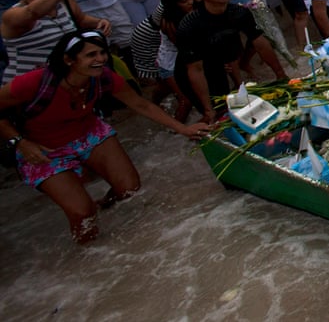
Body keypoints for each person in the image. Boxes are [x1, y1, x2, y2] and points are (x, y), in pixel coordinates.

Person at [0, 30, 209, 243]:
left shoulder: (104, 77)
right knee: (83, 214)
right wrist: (20, 143)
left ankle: (106, 207)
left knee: (129, 189)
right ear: (69, 59)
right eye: (91, 55)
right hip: (44, 149)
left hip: (89, 134)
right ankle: (87, 255)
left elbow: (140, 104)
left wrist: (183, 129)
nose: (100, 59)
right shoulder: (34, 82)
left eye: (103, 53)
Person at [175, 0, 286, 123]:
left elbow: (261, 43)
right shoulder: (190, 25)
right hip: (191, 71)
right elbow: (196, 70)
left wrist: (281, 75)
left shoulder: (239, 13)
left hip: (217, 62)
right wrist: (208, 109)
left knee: (227, 106)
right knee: (213, 112)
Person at [2, 0, 111, 85]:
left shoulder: (62, 3)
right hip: (27, 83)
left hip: (61, 79)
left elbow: (81, 19)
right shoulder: (13, 14)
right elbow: (32, 12)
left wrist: (100, 22)